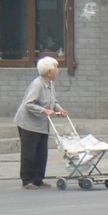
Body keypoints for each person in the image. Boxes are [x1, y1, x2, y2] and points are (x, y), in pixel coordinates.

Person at [13, 56, 67, 189]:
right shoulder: (38, 84)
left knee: (41, 153)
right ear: (49, 72)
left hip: (42, 124)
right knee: (29, 152)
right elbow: (28, 104)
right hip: (28, 124)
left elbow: (53, 101)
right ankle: (27, 180)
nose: (58, 71)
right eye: (56, 68)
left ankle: (38, 179)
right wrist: (44, 110)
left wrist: (60, 110)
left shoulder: (50, 84)